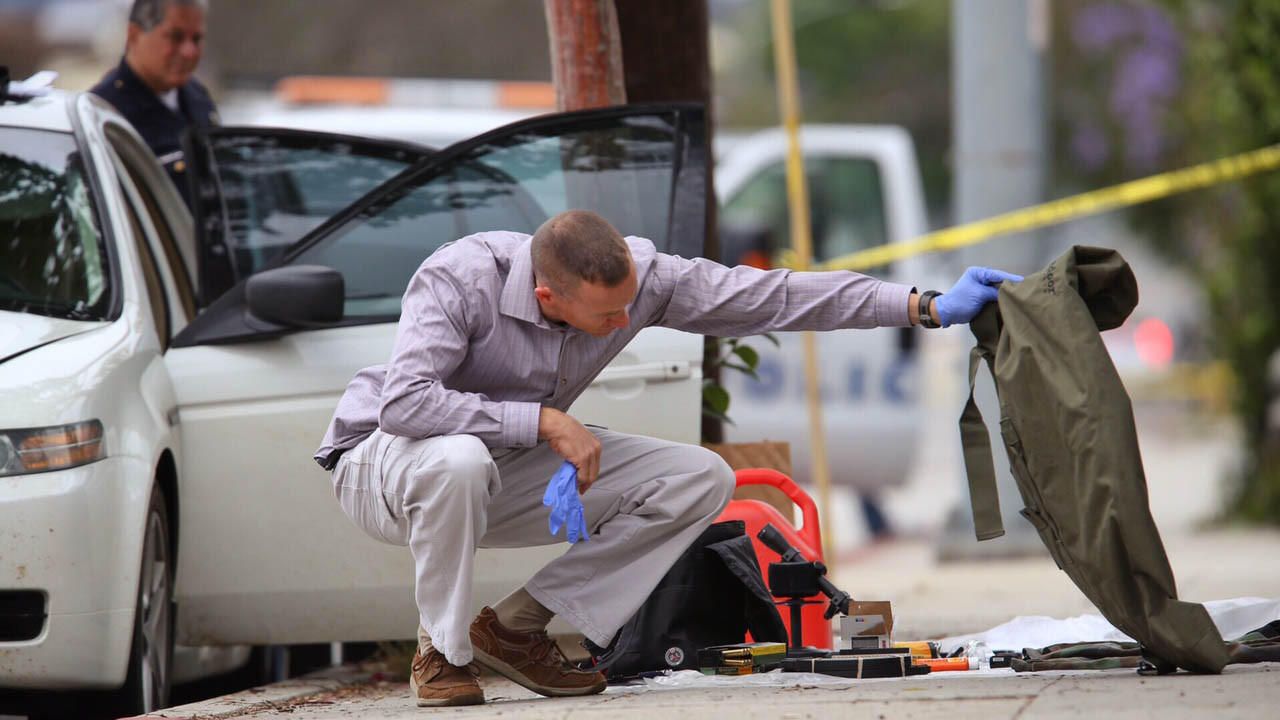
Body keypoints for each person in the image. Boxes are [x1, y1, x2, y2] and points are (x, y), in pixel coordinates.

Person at [314, 210, 1021, 707]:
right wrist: (545, 420)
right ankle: (439, 655)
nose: (625, 324)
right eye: (606, 317)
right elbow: (404, 404)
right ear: (545, 297)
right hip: (383, 464)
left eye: (630, 307)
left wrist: (921, 305)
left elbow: (769, 296)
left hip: (495, 460)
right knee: (461, 459)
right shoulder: (460, 278)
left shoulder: (641, 280)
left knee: (699, 477)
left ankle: (511, 629)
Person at [91, 0, 216, 204]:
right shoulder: (103, 113)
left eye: (197, 39)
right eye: (175, 37)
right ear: (134, 35)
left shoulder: (198, 98)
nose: (189, 52)